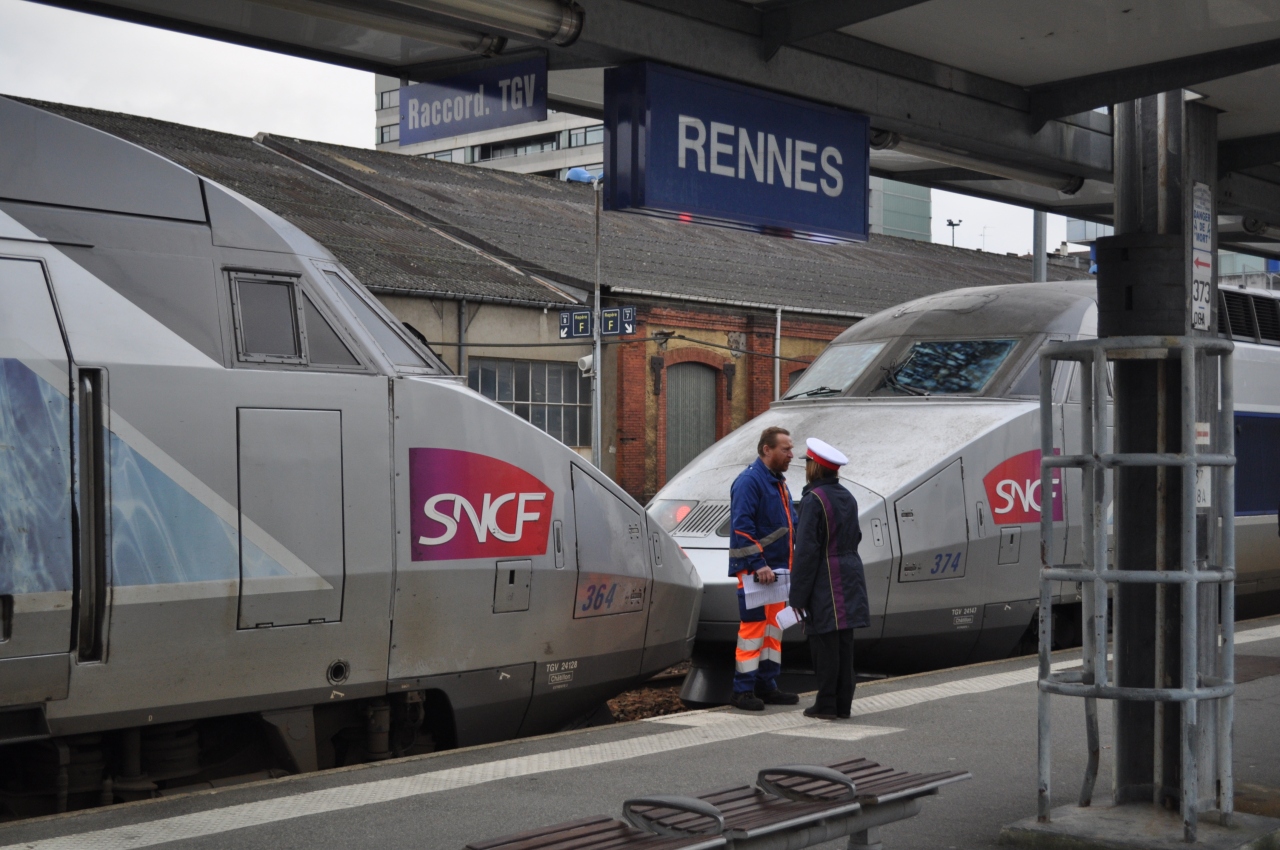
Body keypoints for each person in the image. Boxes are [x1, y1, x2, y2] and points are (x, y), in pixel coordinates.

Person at [790, 437, 869, 720]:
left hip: (826, 579)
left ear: (814, 467)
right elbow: (856, 536)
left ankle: (825, 705)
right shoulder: (848, 496)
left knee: (824, 645)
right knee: (845, 644)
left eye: (808, 463)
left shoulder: (814, 500)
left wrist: (797, 596)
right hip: (850, 574)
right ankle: (842, 704)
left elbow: (806, 551)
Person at [727, 426, 801, 711]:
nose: (791, 454)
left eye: (791, 449)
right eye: (786, 449)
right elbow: (742, 528)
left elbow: (790, 524)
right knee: (753, 629)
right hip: (757, 572)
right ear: (766, 450)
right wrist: (759, 564)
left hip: (777, 571)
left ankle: (766, 685)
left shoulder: (777, 482)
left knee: (773, 629)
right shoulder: (750, 481)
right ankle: (742, 691)